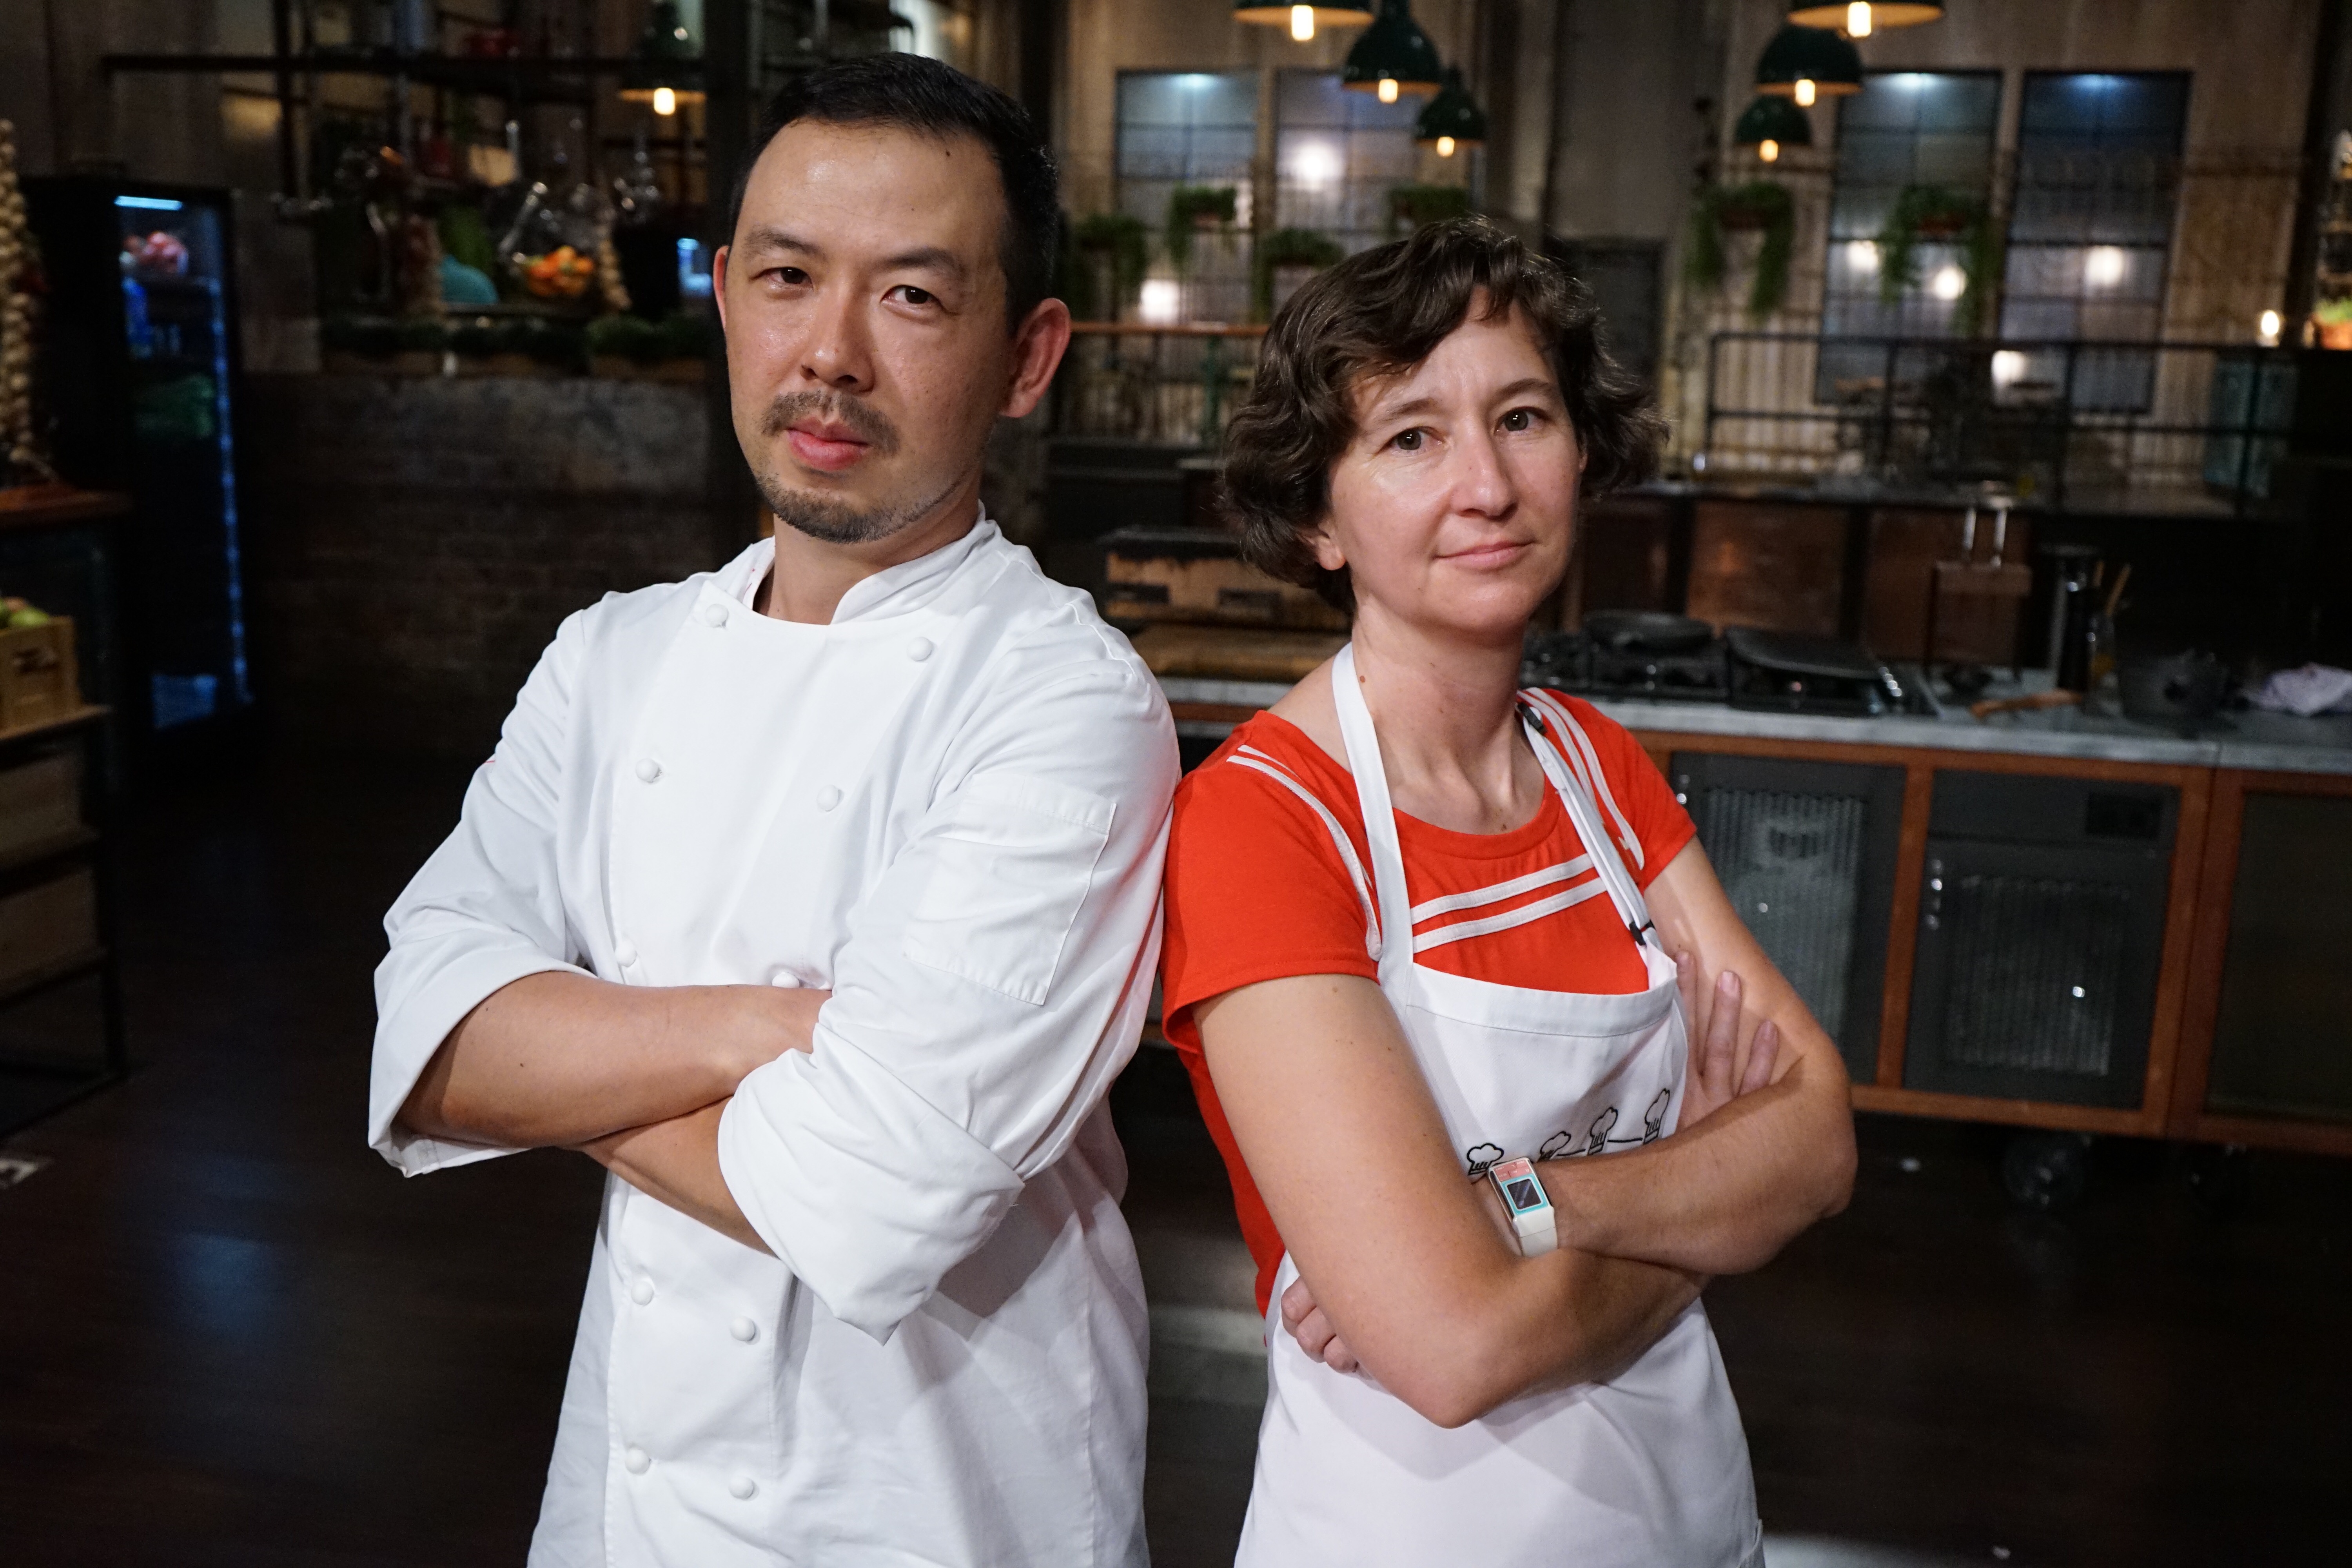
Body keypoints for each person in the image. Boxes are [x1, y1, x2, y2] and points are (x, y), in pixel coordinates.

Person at [370, 55, 1175, 1568]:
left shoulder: (1066, 699)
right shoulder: (611, 655)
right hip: (630, 1490)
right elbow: (428, 1045)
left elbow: (866, 1198)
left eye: (913, 296)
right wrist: (779, 1030)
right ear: (728, 298)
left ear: (1029, 356)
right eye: (790, 278)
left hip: (938, 1505)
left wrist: (562, 1064)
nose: (832, 355)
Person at [1159, 218, 1858, 1566]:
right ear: (1317, 519)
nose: (1486, 485)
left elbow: (1819, 1139)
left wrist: (1525, 1206)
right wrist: (1713, 1193)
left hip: (1686, 1515)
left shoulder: (1596, 764)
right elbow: (1453, 1348)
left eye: (1523, 418)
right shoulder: (1263, 822)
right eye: (1411, 437)